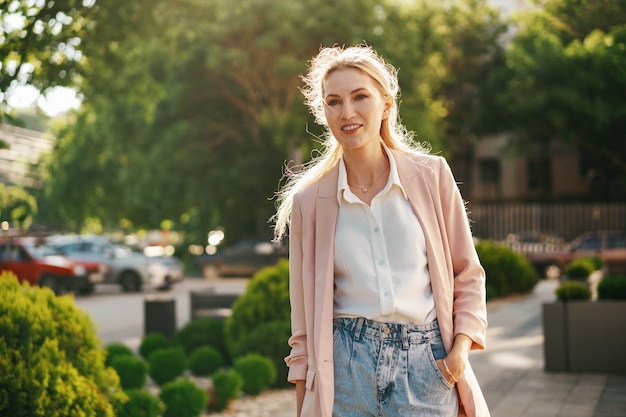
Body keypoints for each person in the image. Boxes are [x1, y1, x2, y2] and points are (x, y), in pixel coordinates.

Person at [273, 44, 489, 417]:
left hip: (428, 366)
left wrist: (459, 352)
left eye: (360, 97)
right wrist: (304, 399)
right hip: (344, 369)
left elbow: (467, 273)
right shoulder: (310, 201)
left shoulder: (432, 176)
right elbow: (302, 319)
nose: (348, 112)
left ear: (386, 104)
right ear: (323, 112)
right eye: (334, 102)